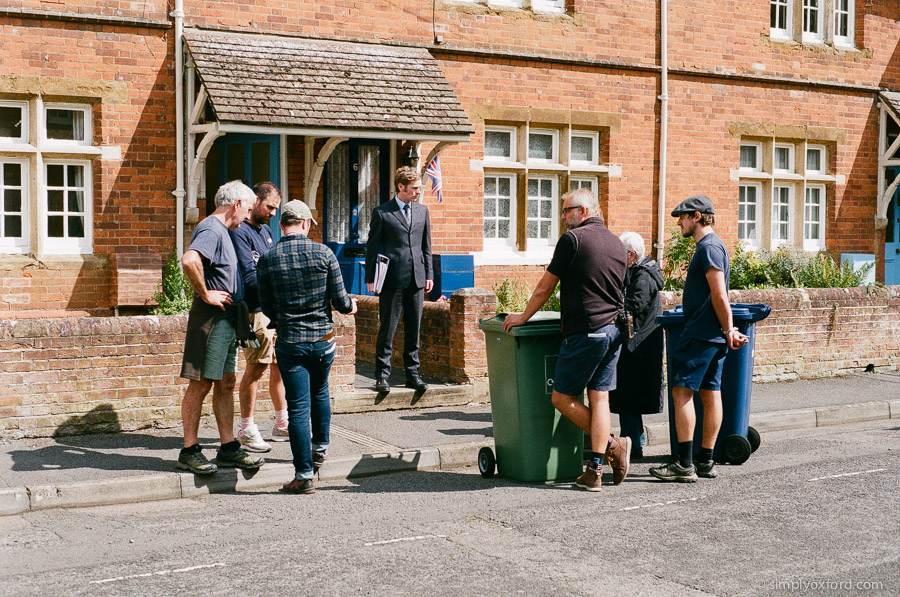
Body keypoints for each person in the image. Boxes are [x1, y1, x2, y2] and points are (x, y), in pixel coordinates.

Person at [503, 188, 631, 492]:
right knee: (599, 397)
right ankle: (595, 472)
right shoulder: (617, 243)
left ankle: (613, 445)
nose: (562, 217)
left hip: (586, 330)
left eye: (566, 210)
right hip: (614, 330)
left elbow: (545, 288)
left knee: (562, 398)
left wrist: (523, 316)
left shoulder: (573, 240)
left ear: (583, 211)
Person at [258, 200, 358, 495]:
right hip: (323, 340)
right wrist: (351, 306)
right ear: (304, 224)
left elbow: (265, 305)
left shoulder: (268, 258)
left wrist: (282, 317)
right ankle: (321, 448)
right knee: (321, 391)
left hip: (290, 340)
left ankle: (303, 475)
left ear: (282, 224)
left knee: (298, 406)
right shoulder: (324, 253)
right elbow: (341, 302)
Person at [649, 195, 749, 483]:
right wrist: (726, 330)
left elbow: (719, 294)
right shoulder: (713, 246)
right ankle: (705, 460)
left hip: (702, 334)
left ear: (696, 216)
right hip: (712, 335)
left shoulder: (708, 248)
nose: (679, 222)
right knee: (710, 393)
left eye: (682, 217)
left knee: (681, 392)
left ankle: (683, 464)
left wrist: (729, 329)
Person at [177, 180, 264, 475]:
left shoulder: (226, 231)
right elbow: (189, 260)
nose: (249, 216)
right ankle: (189, 450)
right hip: (211, 320)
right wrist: (206, 293)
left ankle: (228, 448)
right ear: (236, 204)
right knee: (201, 383)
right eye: (249, 209)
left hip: (227, 320)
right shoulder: (212, 228)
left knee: (226, 383)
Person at [230, 181, 288, 453]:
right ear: (255, 201)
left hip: (272, 310)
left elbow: (271, 268)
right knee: (257, 367)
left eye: (276, 209)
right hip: (254, 311)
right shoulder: (240, 232)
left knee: (278, 365)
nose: (273, 214)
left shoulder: (266, 231)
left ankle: (281, 422)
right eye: (269, 207)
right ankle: (246, 427)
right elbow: (249, 276)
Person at [365, 166, 433, 394]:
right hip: (392, 279)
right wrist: (370, 279)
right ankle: (382, 376)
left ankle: (412, 375)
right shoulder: (382, 212)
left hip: (417, 278)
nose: (418, 192)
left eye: (419, 188)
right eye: (414, 188)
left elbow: (426, 247)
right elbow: (372, 248)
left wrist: (429, 275)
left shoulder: (423, 211)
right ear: (400, 187)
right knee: (388, 328)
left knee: (414, 329)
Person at [609, 232, 664, 460]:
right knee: (630, 398)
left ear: (631, 255)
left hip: (637, 345)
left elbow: (633, 306)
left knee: (628, 397)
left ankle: (632, 445)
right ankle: (635, 440)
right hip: (639, 344)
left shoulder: (642, 276)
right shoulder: (642, 272)